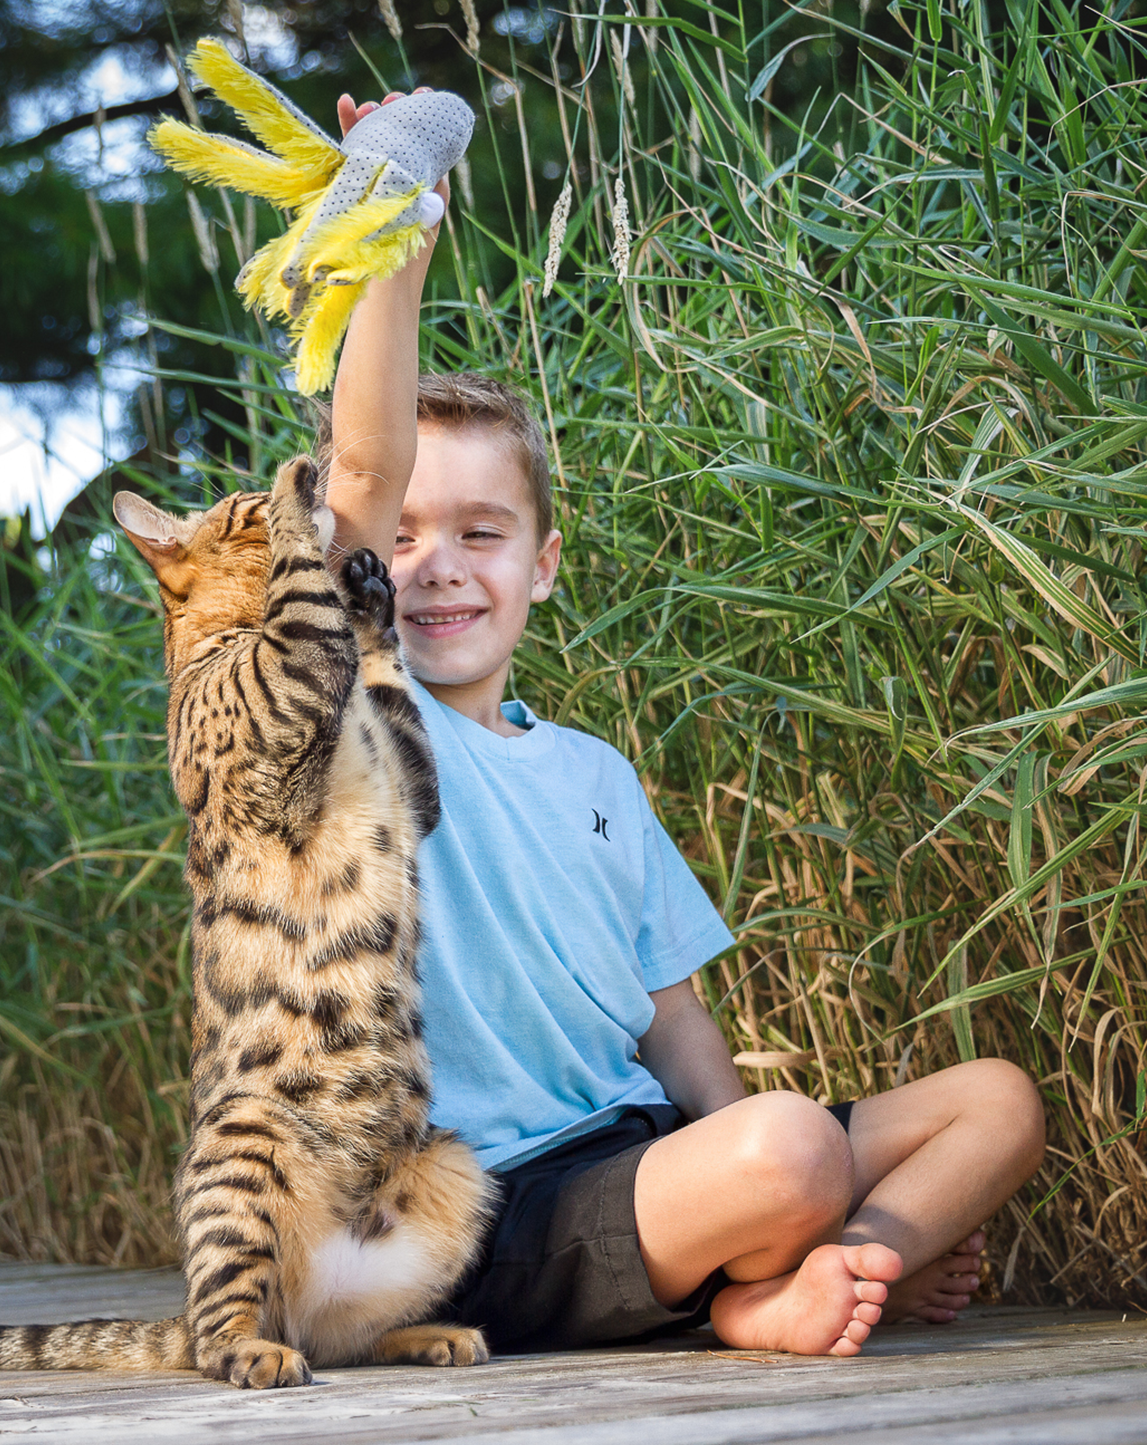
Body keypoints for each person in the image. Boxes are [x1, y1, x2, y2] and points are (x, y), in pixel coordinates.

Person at [315, 90, 1045, 1358]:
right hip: (489, 1206)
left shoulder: (593, 769)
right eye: (407, 540)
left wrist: (769, 1162)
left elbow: (672, 1015)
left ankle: (826, 1263)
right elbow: (359, 478)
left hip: (651, 1157)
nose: (437, 565)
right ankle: (763, 1287)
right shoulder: (363, 725)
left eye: (479, 534)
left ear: (541, 564)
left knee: (994, 1100)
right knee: (790, 1150)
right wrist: (394, 249)